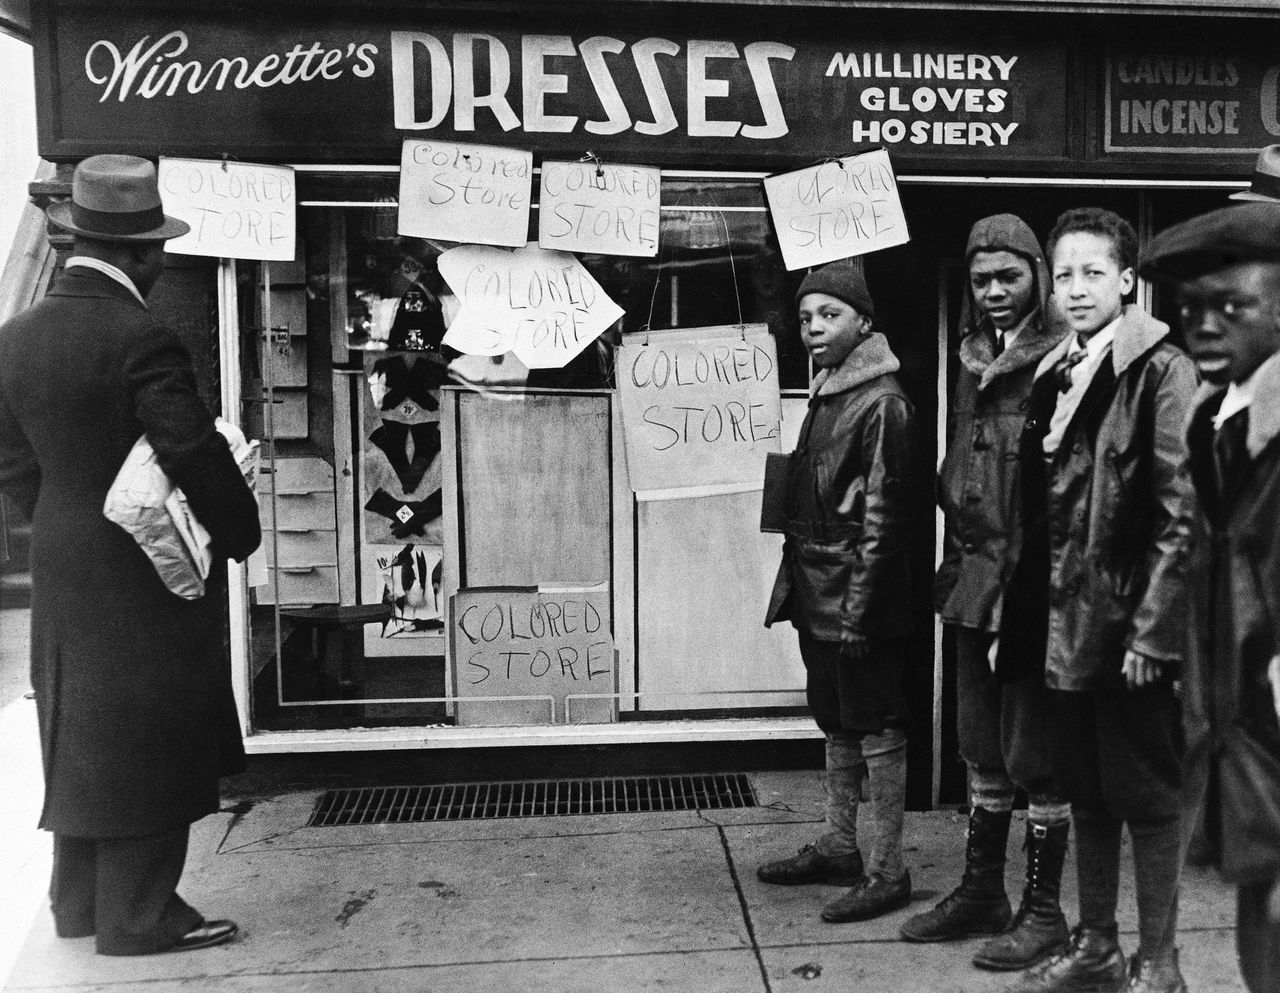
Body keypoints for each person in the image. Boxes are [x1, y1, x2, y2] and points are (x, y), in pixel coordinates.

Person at [0, 155, 261, 955]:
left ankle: (77, 900)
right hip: (143, 564)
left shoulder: (16, 335)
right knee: (154, 737)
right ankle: (141, 915)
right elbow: (187, 448)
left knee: (81, 730)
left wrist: (61, 514)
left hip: (64, 551)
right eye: (157, 251)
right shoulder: (143, 337)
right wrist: (237, 530)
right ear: (141, 255)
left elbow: (10, 461)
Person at [997, 207, 1197, 993]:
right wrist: (1018, 625)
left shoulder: (1163, 370)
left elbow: (1184, 515)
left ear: (1127, 280)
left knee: (1147, 792)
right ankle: (1099, 946)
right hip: (1064, 626)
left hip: (1127, 629)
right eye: (1065, 273)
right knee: (1085, 784)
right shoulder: (1053, 372)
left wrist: (1154, 632)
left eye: (1093, 272)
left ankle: (1161, 962)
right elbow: (1038, 519)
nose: (1076, 289)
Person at [900, 215, 1072, 971]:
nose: (995, 292)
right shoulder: (973, 361)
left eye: (1010, 276)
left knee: (1038, 751)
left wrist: (1033, 595)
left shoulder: (1063, 361)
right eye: (981, 279)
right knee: (981, 742)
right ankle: (981, 891)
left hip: (1031, 587)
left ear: (1038, 274)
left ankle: (1044, 912)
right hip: (972, 582)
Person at [1139, 202, 1280, 993]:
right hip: (1244, 737)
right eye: (1191, 308)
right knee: (1261, 932)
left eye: (1233, 306)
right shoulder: (1219, 424)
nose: (1205, 324)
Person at [759, 258, 915, 924]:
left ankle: (889, 868)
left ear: (865, 322)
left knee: (876, 722)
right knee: (835, 718)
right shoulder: (827, 392)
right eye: (805, 316)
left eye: (829, 314)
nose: (813, 328)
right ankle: (839, 844)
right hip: (815, 591)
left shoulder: (885, 401)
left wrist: (861, 611)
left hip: (858, 600)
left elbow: (886, 519)